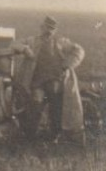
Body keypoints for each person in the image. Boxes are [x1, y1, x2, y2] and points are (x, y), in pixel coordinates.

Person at [14, 15, 86, 143]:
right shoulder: (32, 41)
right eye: (46, 28)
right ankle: (29, 136)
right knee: (35, 105)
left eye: (51, 29)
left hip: (55, 81)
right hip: (37, 82)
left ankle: (54, 136)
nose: (48, 31)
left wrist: (68, 65)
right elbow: (15, 43)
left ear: (55, 30)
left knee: (56, 108)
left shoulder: (61, 42)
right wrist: (25, 49)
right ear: (41, 28)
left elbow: (79, 51)